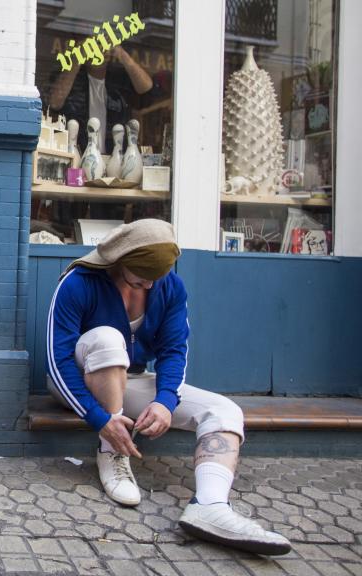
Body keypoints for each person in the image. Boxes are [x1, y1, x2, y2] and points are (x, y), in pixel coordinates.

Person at [46, 219, 291, 556]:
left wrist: (164, 401)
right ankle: (111, 451)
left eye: (155, 278)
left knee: (224, 411)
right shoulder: (79, 282)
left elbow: (174, 350)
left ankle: (210, 505)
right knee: (107, 338)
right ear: (120, 260)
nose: (148, 285)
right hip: (76, 383)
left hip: (128, 380)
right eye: (140, 276)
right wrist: (100, 419)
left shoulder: (170, 286)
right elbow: (57, 360)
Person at [47, 45, 152, 153]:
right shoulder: (73, 79)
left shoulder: (119, 80)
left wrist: (121, 54)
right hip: (77, 156)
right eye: (93, 46)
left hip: (114, 159)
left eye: (102, 47)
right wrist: (79, 56)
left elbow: (146, 87)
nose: (98, 51)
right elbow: (54, 102)